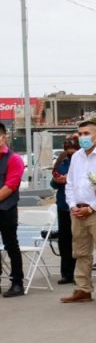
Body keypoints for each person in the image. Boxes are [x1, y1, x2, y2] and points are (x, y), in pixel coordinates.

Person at [62, 120, 96, 305]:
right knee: (80, 251)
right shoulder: (77, 156)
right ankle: (83, 288)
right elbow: (70, 184)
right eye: (80, 134)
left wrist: (92, 207)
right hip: (77, 210)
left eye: (86, 133)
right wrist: (72, 205)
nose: (82, 137)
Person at [0, 122, 25, 298]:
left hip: (6, 209)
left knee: (11, 245)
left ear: (3, 137)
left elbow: (11, 186)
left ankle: (17, 282)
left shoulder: (14, 159)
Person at [50, 135, 79, 284]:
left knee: (78, 240)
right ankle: (66, 273)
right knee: (64, 240)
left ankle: (78, 273)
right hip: (63, 205)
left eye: (73, 152)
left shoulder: (81, 160)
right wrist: (57, 180)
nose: (70, 154)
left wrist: (69, 179)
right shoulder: (62, 160)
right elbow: (53, 183)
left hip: (78, 206)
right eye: (68, 152)